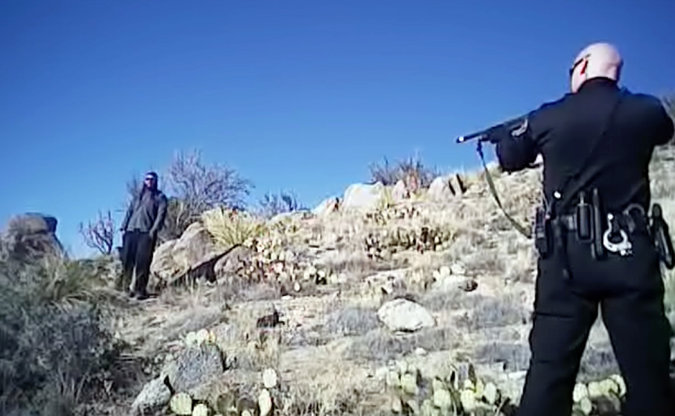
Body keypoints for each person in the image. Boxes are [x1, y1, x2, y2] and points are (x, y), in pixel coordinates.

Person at [490, 42, 674, 416]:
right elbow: (664, 129)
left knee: (549, 373)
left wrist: (509, 138)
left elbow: (510, 158)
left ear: (583, 66)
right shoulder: (644, 110)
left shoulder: (549, 116)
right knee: (649, 376)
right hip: (631, 254)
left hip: (566, 259)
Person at [118, 171, 168, 300]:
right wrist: (124, 226)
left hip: (146, 233)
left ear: (155, 181)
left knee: (143, 262)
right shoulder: (138, 197)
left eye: (152, 179)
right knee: (127, 261)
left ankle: (140, 290)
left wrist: (153, 231)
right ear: (144, 181)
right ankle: (125, 288)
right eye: (147, 179)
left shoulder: (160, 197)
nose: (149, 181)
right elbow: (129, 211)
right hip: (131, 231)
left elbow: (161, 215)